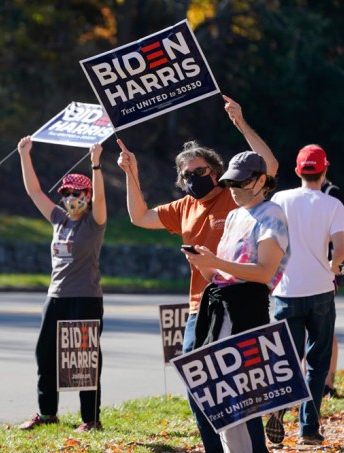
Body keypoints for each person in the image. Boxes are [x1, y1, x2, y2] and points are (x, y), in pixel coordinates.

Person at [116, 95, 278, 453]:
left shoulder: (235, 196)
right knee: (198, 382)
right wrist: (132, 173)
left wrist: (240, 123)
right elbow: (139, 217)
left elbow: (268, 165)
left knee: (240, 385)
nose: (194, 178)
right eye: (186, 175)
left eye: (200, 171)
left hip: (239, 303)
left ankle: (255, 448)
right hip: (198, 308)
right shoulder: (184, 207)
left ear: (216, 172)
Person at [183, 150, 289, 453]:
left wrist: (216, 262)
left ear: (260, 181)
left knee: (243, 398)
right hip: (220, 308)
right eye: (230, 183)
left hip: (247, 312)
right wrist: (204, 264)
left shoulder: (272, 214)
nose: (234, 189)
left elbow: (265, 271)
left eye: (240, 183)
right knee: (217, 396)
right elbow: (224, 269)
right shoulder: (234, 215)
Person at [15, 136, 107, 433]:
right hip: (55, 297)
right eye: (66, 193)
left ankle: (90, 419)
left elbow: (103, 200)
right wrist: (24, 155)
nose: (71, 198)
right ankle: (47, 413)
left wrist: (96, 163)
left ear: (87, 195)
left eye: (77, 193)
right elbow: (33, 192)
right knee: (46, 355)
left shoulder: (93, 222)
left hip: (86, 298)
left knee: (84, 358)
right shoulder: (59, 218)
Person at [268, 144, 344, 446]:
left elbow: (272, 238)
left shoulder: (280, 199)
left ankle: (278, 408)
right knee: (317, 362)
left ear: (297, 171)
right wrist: (331, 268)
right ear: (324, 170)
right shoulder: (332, 205)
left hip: (286, 291)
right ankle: (309, 430)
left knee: (288, 357)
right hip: (320, 290)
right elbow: (341, 250)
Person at [321, 177, 344, 398]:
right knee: (311, 330)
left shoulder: (331, 192)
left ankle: (329, 384)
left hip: (328, 268)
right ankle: (315, 383)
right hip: (310, 268)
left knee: (324, 329)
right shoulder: (302, 195)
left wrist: (324, 234)